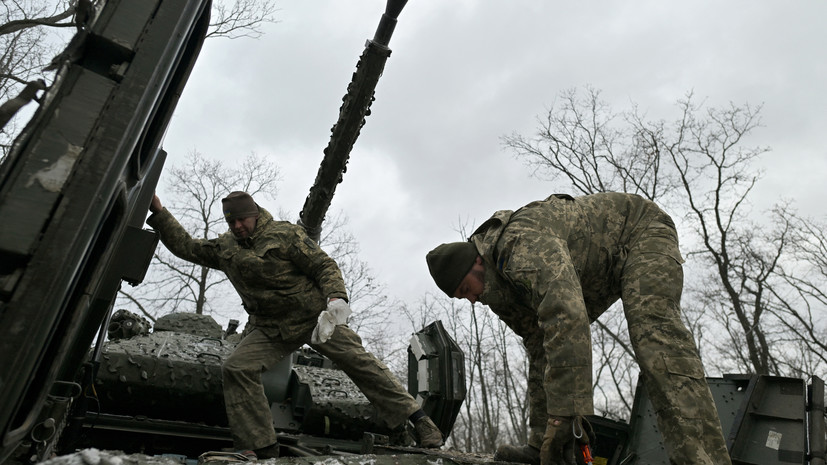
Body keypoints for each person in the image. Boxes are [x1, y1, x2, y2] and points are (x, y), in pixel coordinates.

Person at [425, 192, 731, 465]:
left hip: (640, 232)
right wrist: (544, 435)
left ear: (479, 262)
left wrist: (565, 415)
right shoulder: (497, 291)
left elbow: (566, 316)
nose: (473, 299)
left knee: (655, 340)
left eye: (467, 288)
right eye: (462, 297)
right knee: (546, 341)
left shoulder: (520, 246)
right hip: (599, 270)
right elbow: (540, 343)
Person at [147, 191, 443, 458]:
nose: (237, 226)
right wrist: (159, 212)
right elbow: (187, 247)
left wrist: (335, 299)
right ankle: (263, 446)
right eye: (232, 222)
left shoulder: (284, 234)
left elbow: (323, 265)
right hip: (270, 328)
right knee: (237, 368)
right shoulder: (226, 248)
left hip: (314, 319)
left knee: (360, 362)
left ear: (254, 214)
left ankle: (420, 422)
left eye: (242, 220)